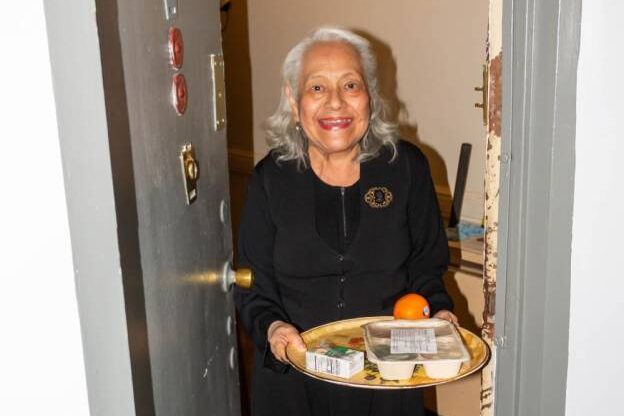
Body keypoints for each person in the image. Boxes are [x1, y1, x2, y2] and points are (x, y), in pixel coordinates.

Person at [234, 26, 457, 416]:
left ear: (369, 95)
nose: (335, 102)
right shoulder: (270, 179)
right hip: (295, 378)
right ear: (293, 98)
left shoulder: (405, 168)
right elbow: (253, 286)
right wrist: (273, 328)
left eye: (350, 85)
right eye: (317, 88)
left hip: (387, 377)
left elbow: (426, 265)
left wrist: (439, 312)